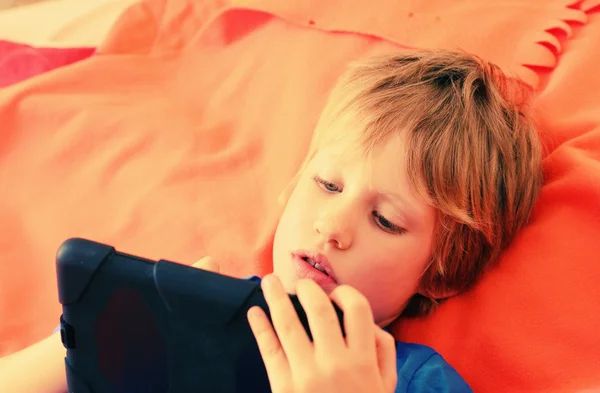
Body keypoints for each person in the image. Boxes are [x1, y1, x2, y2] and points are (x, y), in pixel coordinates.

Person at [0, 49, 543, 393]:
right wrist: (97, 332)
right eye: (327, 185)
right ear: (290, 189)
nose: (333, 225)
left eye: (385, 220)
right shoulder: (191, 309)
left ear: (440, 272)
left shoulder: (414, 381)